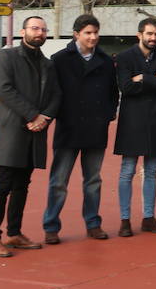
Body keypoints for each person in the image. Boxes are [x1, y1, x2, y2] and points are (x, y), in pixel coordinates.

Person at [0, 16, 59, 258]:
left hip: (35, 133)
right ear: (22, 31)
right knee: (3, 184)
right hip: (12, 132)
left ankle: (14, 233)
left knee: (22, 186)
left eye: (43, 30)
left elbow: (57, 95)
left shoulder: (47, 64)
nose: (39, 33)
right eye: (35, 28)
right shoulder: (7, 56)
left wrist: (45, 117)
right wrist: (32, 116)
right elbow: (4, 89)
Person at [41, 13, 118, 244]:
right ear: (77, 34)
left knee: (93, 180)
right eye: (88, 33)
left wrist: (108, 114)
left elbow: (113, 92)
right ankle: (51, 225)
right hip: (68, 128)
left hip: (96, 129)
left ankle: (93, 223)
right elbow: (52, 93)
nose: (93, 37)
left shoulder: (105, 61)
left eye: (95, 33)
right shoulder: (60, 59)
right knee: (59, 181)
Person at [114, 16, 156, 237]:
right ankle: (125, 219)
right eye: (149, 34)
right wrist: (153, 80)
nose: (153, 38)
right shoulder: (125, 57)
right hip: (132, 122)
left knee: (151, 171)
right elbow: (126, 87)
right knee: (127, 171)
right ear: (139, 35)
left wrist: (143, 78)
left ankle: (148, 217)